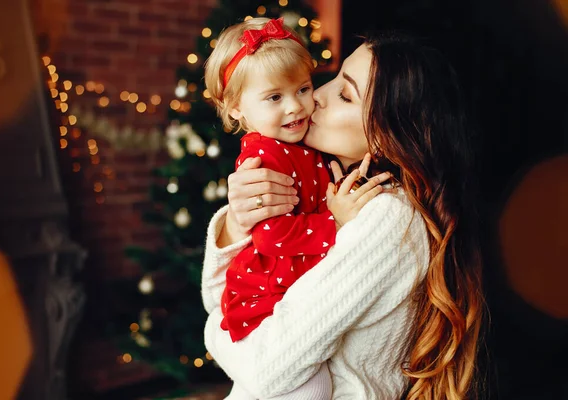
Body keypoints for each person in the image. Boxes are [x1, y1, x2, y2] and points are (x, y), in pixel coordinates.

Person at [202, 31, 485, 400]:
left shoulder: (386, 217)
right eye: (332, 79)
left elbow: (264, 368)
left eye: (345, 94)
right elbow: (226, 296)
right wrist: (238, 224)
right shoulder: (326, 185)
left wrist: (211, 330)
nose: (314, 97)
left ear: (385, 137)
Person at [203, 17, 390, 400]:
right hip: (265, 294)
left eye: (303, 88)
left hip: (282, 297)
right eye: (274, 98)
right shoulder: (263, 156)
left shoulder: (306, 146)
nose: (300, 106)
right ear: (236, 108)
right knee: (306, 389)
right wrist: (335, 222)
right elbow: (270, 236)